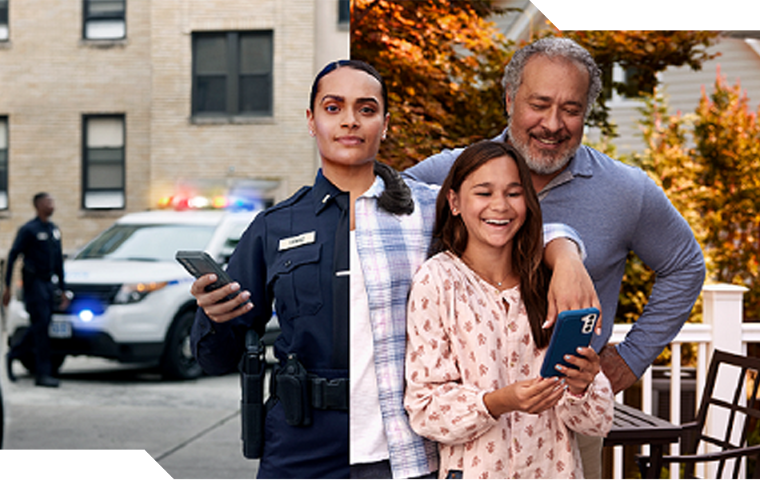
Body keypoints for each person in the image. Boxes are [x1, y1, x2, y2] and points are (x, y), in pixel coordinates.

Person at [190, 60, 592, 479]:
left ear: (384, 123)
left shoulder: (424, 211)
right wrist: (214, 318)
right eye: (333, 108)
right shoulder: (274, 227)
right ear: (311, 120)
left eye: (366, 109)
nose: (350, 121)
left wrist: (564, 253)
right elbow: (217, 358)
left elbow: (502, 217)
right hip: (300, 446)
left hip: (401, 452)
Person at [403, 36, 707, 478]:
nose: (553, 123)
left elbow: (686, 266)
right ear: (509, 100)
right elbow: (376, 219)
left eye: (571, 108)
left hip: (567, 425)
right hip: (468, 436)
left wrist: (631, 358)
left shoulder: (626, 191)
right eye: (539, 103)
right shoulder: (444, 175)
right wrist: (561, 247)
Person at [404, 140, 613, 480]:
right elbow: (426, 410)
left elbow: (596, 421)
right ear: (455, 202)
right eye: (484, 193)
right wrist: (499, 401)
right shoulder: (437, 281)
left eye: (514, 193)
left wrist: (583, 384)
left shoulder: (552, 282)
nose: (500, 206)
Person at [3, 192, 68, 388]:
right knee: (40, 327)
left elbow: (58, 263)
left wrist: (63, 290)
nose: (52, 205)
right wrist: (7, 286)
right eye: (48, 202)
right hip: (34, 284)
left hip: (49, 284)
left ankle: (14, 353)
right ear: (38, 205)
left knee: (42, 326)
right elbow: (13, 256)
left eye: (52, 201)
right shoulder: (29, 230)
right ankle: (43, 374)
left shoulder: (54, 230)